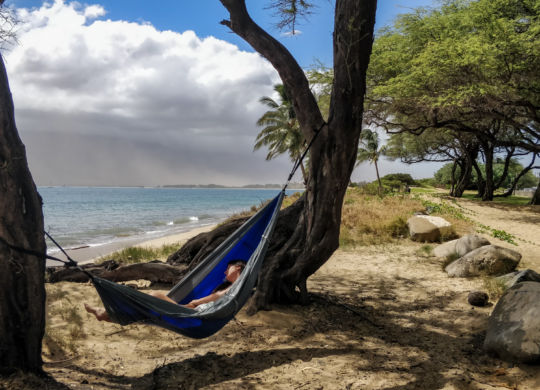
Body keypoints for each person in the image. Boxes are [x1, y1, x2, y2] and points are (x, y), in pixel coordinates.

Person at [84, 259, 247, 322]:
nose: (225, 272)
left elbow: (220, 295)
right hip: (197, 313)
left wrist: (195, 303)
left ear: (238, 267)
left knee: (155, 296)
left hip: (196, 315)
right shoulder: (237, 286)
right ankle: (106, 314)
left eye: (228, 269)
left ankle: (106, 314)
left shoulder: (237, 285)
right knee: (148, 308)